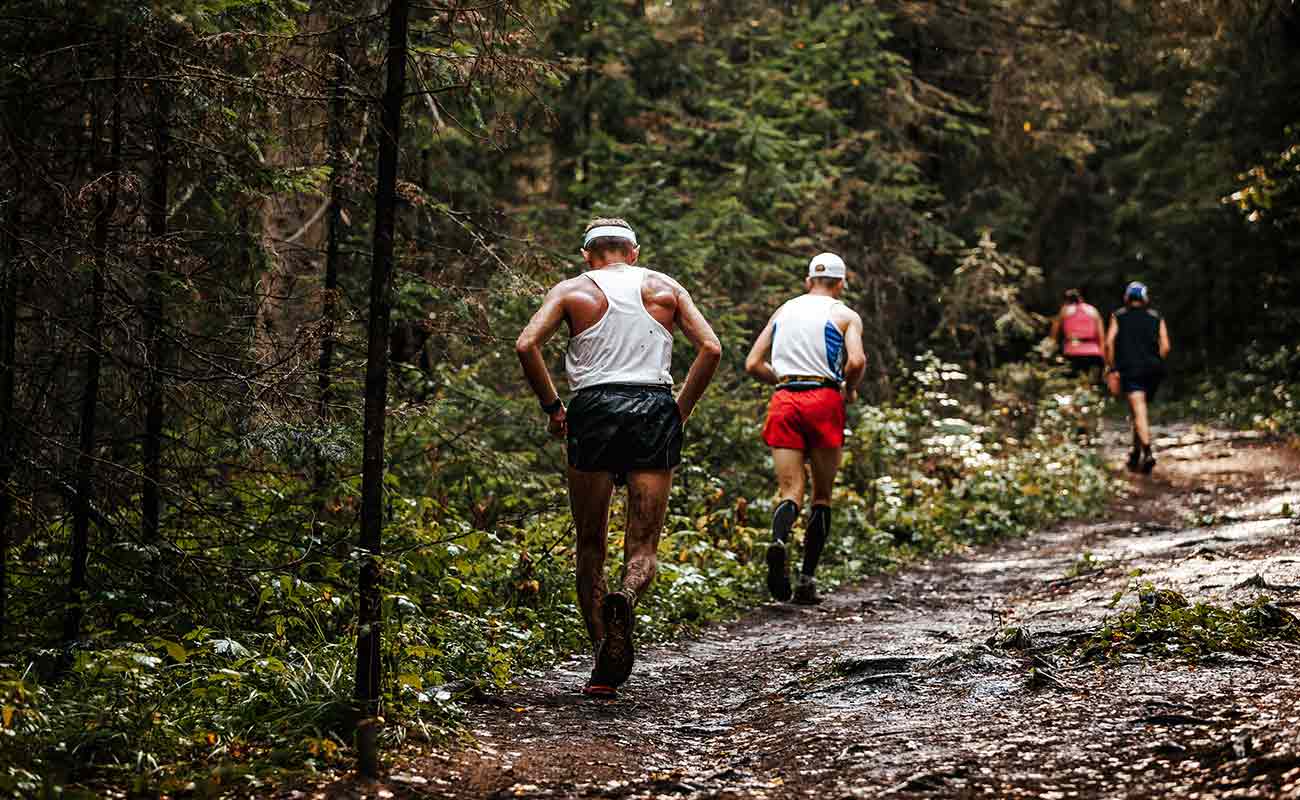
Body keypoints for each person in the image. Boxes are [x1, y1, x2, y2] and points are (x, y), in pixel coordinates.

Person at [514, 218, 721, 696]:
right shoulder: (664, 287)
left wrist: (553, 408)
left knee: (590, 546)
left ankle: (604, 660)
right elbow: (710, 348)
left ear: (588, 256)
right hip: (653, 408)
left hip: (593, 411)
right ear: (633, 252)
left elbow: (527, 345)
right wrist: (679, 411)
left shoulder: (572, 291)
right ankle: (626, 597)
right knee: (642, 546)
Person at [744, 252, 866, 605]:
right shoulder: (845, 315)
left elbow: (753, 363)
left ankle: (780, 540)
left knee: (790, 490)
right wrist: (850, 386)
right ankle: (806, 581)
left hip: (785, 399)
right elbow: (856, 360)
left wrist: (780, 379)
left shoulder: (784, 311)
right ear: (840, 283)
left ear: (808, 280)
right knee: (821, 495)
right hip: (824, 399)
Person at [1105, 281, 1172, 474]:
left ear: (1127, 298)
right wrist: (1155, 361)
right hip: (1153, 370)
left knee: (1139, 411)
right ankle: (1135, 454)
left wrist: (1112, 368)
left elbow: (1109, 342)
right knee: (1138, 411)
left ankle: (1148, 452)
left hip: (1131, 369)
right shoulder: (1156, 317)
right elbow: (1165, 346)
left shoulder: (1118, 316)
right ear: (1145, 298)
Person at [1049, 288, 1106, 379]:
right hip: (1093, 353)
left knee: (1072, 383)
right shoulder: (1093, 310)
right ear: (1081, 298)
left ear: (1066, 301)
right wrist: (1103, 357)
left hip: (1073, 352)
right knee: (1093, 384)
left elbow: (1054, 333)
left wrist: (1051, 351)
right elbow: (1101, 336)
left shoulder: (1064, 311)